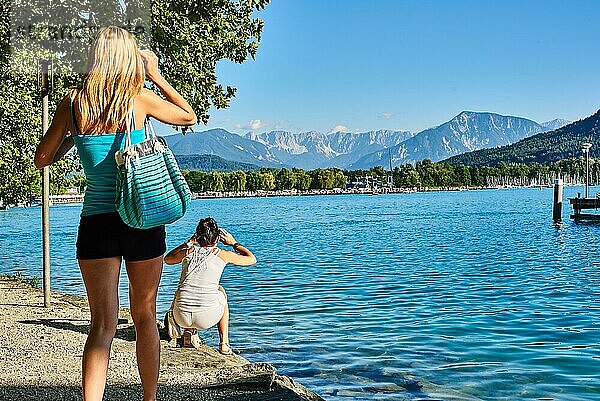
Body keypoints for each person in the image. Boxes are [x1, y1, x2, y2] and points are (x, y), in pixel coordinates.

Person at [34, 26, 196, 401]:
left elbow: (43, 159)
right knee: (144, 317)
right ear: (128, 57)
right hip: (141, 218)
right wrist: (155, 75)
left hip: (96, 223)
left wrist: (76, 138)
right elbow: (188, 116)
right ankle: (149, 399)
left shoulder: (73, 103)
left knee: (102, 325)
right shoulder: (139, 99)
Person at [164, 217, 256, 354]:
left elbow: (168, 259)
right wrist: (234, 243)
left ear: (197, 236)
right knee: (220, 291)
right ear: (218, 238)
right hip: (205, 319)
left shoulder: (188, 252)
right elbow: (251, 259)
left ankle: (189, 331)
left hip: (180, 317)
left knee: (191, 291)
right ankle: (224, 343)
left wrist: (187, 243)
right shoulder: (223, 255)